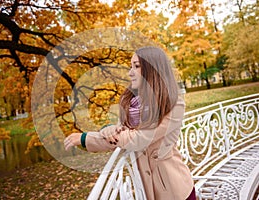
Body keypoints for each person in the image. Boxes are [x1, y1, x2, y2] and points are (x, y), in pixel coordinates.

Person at [64, 46, 196, 200]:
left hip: (176, 189)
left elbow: (139, 138)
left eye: (137, 66)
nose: (130, 72)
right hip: (147, 190)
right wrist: (98, 134)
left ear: (153, 70)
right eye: (130, 66)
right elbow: (119, 137)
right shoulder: (130, 103)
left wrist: (97, 135)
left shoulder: (174, 105)